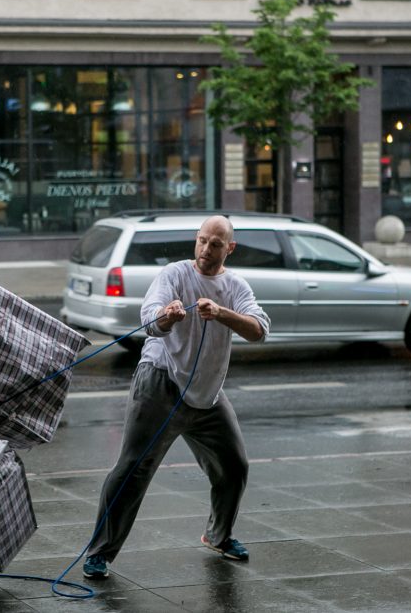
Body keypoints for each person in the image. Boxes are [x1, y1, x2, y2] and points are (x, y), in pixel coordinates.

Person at [83, 215, 270, 579]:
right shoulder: (174, 274)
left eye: (215, 244)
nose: (206, 249)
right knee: (134, 468)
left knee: (234, 466)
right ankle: (99, 553)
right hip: (161, 382)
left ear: (229, 248)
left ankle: (219, 536)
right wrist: (167, 317)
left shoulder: (235, 286)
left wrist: (221, 313)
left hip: (207, 394)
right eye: (201, 240)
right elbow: (149, 318)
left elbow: (259, 329)